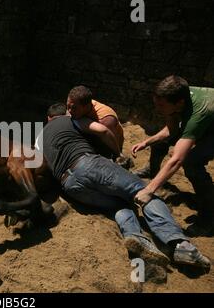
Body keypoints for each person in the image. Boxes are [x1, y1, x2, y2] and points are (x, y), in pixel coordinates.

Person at [40, 104, 210, 268]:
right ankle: (179, 245)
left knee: (119, 205)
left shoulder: (40, 138)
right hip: (88, 164)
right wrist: (117, 153)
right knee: (143, 192)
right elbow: (103, 130)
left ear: (48, 119)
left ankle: (135, 237)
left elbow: (40, 166)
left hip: (70, 185)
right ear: (64, 114)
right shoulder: (71, 120)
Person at [131, 76, 214, 235]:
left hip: (210, 125)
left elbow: (177, 160)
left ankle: (209, 219)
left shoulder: (197, 114)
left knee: (191, 163)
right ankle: (153, 171)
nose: (157, 109)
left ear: (179, 103)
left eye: (161, 105)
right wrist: (147, 142)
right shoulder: (178, 98)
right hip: (207, 122)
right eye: (156, 104)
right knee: (160, 141)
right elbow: (171, 129)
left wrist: (149, 190)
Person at [66, 86, 125, 156]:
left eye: (74, 108)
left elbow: (112, 141)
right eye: (68, 106)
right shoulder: (78, 104)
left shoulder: (104, 120)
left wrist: (118, 154)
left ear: (86, 106)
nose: (69, 111)